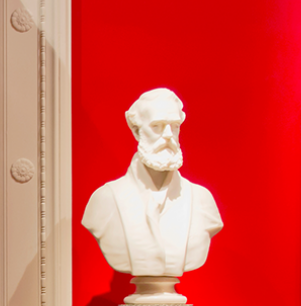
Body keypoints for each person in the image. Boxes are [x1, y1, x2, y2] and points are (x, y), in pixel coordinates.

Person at [81, 88, 222, 279]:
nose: (168, 135)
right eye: (157, 126)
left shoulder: (201, 200)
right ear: (137, 131)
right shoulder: (105, 200)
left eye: (174, 126)